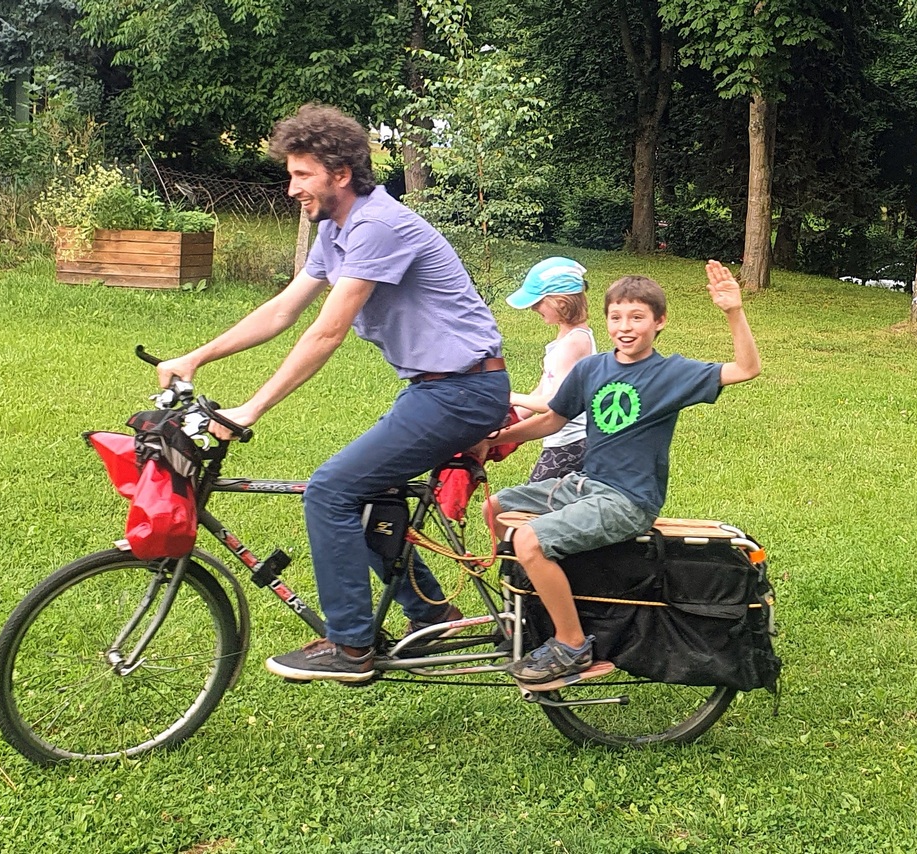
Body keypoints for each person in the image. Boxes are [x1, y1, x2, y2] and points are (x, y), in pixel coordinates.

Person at [156, 103, 510, 682]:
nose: (291, 186)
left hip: (464, 393)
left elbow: (327, 331)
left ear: (340, 173)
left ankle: (349, 648)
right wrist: (198, 355)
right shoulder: (336, 228)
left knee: (330, 491)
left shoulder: (377, 226)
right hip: (435, 389)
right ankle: (434, 616)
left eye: (301, 174)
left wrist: (251, 407)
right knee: (370, 499)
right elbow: (284, 310)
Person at [483, 260, 761, 683]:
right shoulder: (592, 368)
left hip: (628, 500)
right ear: (606, 320)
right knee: (497, 507)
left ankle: (572, 643)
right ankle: (526, 609)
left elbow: (746, 369)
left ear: (659, 322)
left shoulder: (670, 374)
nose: (625, 327)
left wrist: (733, 312)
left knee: (529, 540)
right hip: (585, 485)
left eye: (637, 317)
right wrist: (497, 438)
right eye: (616, 317)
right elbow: (553, 420)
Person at [504, 257, 596, 482]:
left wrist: (512, 397)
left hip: (570, 445)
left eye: (538, 302)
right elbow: (544, 389)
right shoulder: (568, 337)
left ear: (561, 303)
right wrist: (511, 416)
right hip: (564, 442)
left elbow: (553, 401)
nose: (534, 308)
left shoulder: (574, 343)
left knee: (519, 511)